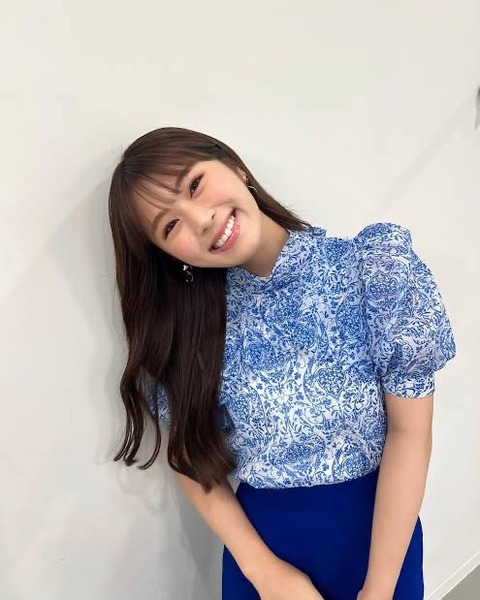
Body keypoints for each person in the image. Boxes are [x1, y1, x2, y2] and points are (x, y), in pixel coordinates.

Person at [107, 126, 457, 600]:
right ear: (167, 255)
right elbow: (189, 457)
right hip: (264, 561)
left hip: (380, 545)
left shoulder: (372, 271)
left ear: (235, 167)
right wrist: (265, 574)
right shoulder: (190, 330)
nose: (201, 220)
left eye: (194, 184)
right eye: (170, 226)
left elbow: (410, 433)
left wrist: (378, 591)